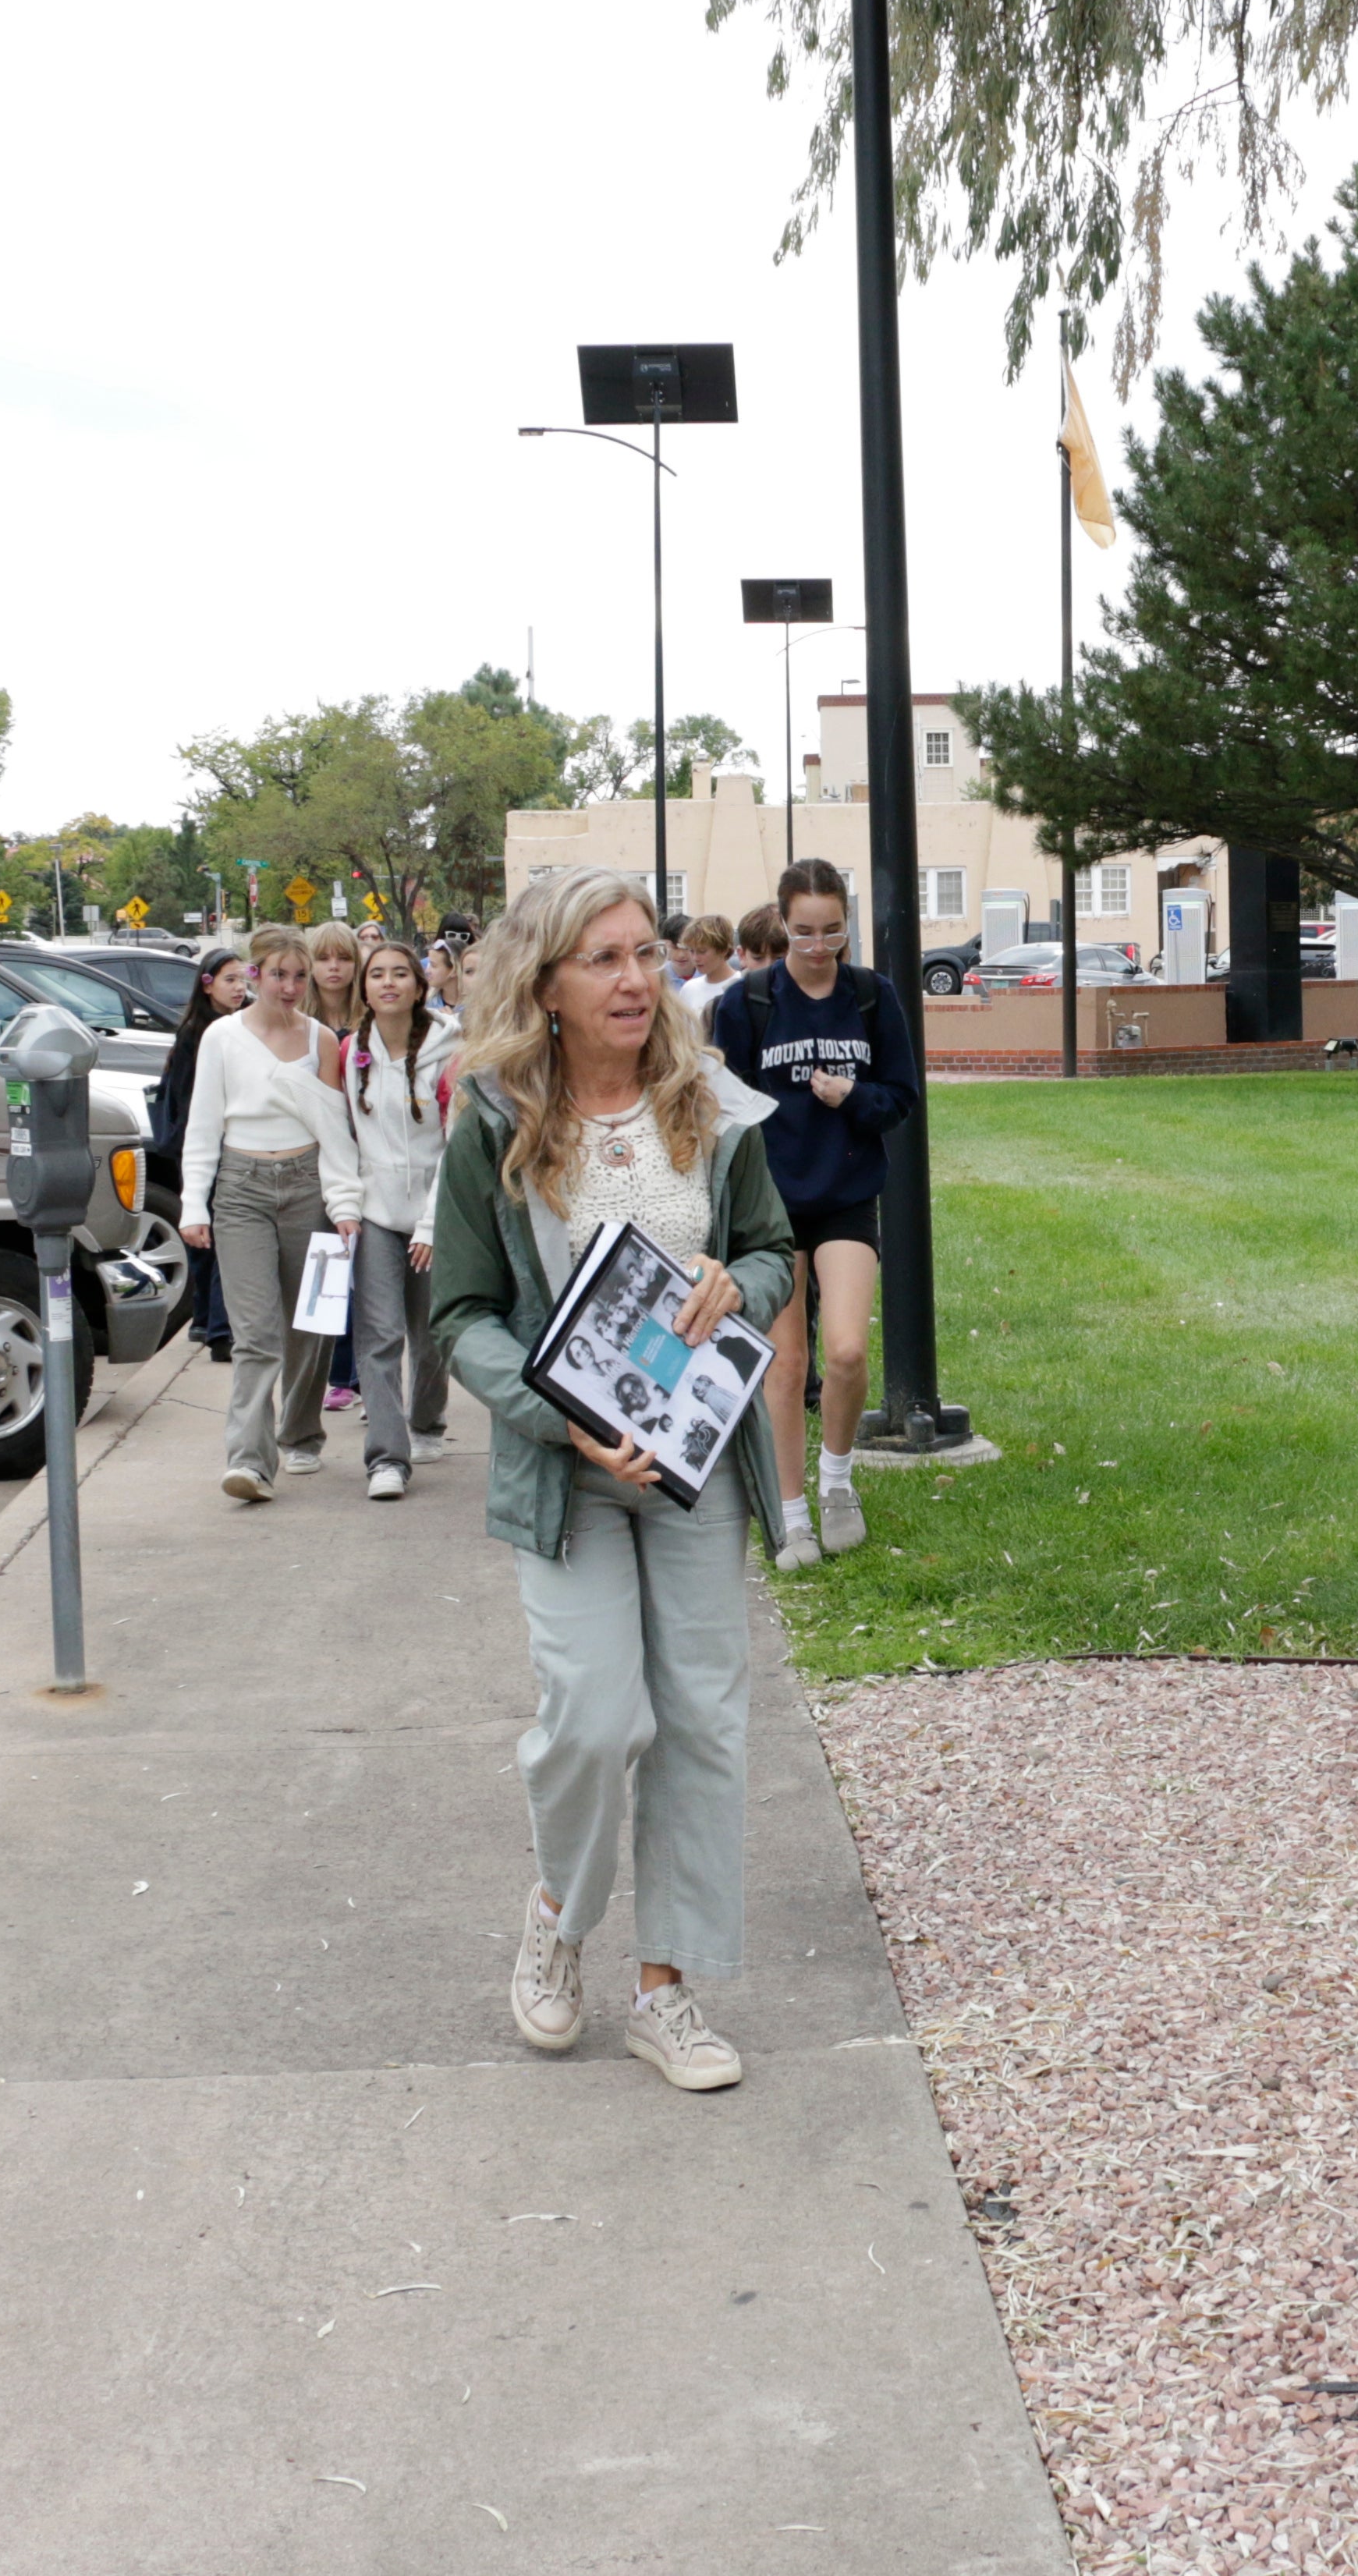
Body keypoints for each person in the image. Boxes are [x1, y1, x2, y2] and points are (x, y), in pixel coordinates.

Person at [430, 869, 796, 2092]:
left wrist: (743, 1282)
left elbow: (773, 1248)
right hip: (570, 1472)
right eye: (606, 960)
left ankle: (666, 1989)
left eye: (645, 954)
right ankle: (559, 1911)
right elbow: (465, 1314)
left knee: (701, 1720)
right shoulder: (493, 1123)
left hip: (695, 1471)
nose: (638, 979)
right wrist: (552, 1414)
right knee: (592, 1718)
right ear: (546, 985)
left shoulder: (712, 1105)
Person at [708, 858, 916, 1568]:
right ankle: (791, 1516)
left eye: (832, 931)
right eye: (803, 932)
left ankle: (836, 1481)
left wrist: (851, 1098)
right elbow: (719, 1104)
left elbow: (900, 1098)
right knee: (785, 1363)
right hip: (769, 1207)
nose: (818, 945)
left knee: (848, 1351)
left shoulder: (870, 996)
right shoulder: (748, 1002)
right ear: (782, 921)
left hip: (847, 1195)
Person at [172, 925, 359, 1501]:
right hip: (241, 1188)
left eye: (300, 976)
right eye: (279, 974)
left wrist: (345, 1203)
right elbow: (203, 1124)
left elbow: (336, 1132)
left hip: (309, 1185)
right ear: (255, 975)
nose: (291, 986)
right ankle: (250, 1461)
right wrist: (192, 1204)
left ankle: (301, 1434)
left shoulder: (323, 1041)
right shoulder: (223, 1038)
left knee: (313, 1325)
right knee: (256, 1335)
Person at [334, 934, 459, 1493]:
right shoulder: (348, 1053)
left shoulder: (451, 1051)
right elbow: (338, 1137)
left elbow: (456, 1149)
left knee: (431, 1336)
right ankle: (387, 1457)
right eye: (377, 973)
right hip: (376, 1212)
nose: (388, 982)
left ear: (420, 983)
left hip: (436, 1212)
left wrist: (432, 1225)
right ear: (365, 987)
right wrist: (345, 1205)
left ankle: (427, 1421)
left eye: (400, 973)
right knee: (379, 1335)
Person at [146, 944, 254, 1362]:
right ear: (207, 986)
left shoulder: (235, 1026)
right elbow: (193, 1101)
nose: (239, 988)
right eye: (229, 980)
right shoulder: (201, 1033)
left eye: (243, 979)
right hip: (204, 1147)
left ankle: (207, 1322)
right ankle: (219, 1329)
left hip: (213, 1147)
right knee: (215, 1237)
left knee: (210, 1240)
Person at [302, 919, 370, 1410]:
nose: (333, 968)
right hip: (311, 1159)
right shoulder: (296, 1021)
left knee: (370, 1271)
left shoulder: (371, 1020)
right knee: (325, 1266)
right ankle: (336, 1374)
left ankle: (368, 1374)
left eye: (343, 958)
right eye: (324, 958)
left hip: (368, 1158)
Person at [668, 912, 740, 1034]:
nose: (695, 958)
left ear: (722, 950)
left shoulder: (740, 985)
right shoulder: (689, 989)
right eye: (691, 951)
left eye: (702, 951)